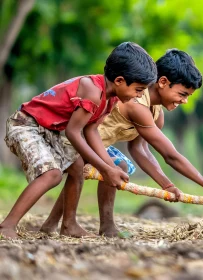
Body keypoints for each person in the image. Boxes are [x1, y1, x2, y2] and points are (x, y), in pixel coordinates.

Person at [40, 49, 203, 237]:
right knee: (89, 165)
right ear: (162, 82)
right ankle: (67, 223)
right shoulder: (135, 103)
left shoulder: (156, 113)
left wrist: (166, 185)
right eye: (182, 94)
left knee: (120, 165)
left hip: (96, 145)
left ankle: (100, 226)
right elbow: (170, 155)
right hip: (77, 139)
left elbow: (140, 149)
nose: (184, 101)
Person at [0, 42, 157, 239]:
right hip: (26, 124)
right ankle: (7, 225)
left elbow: (91, 130)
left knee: (77, 166)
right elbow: (74, 133)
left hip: (50, 129)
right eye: (138, 89)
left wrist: (110, 167)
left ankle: (69, 224)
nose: (140, 95)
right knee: (52, 175)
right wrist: (106, 169)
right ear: (119, 80)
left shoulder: (110, 99)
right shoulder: (92, 91)